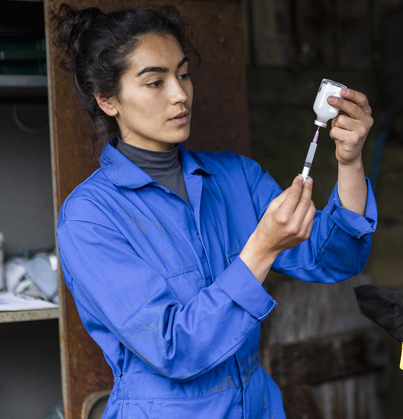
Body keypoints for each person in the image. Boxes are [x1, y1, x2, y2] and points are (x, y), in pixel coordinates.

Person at [50, 5, 377, 419]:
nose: (180, 94)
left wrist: (349, 163)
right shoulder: (89, 218)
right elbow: (173, 348)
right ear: (107, 100)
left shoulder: (236, 177)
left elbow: (334, 259)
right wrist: (260, 249)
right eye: (155, 81)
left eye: (183, 74)